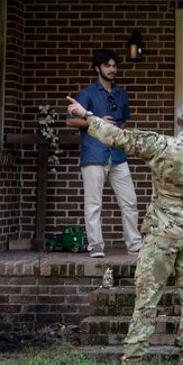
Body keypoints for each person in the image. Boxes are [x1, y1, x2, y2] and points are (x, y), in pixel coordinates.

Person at [66, 96, 183, 365]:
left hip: (161, 233)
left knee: (147, 298)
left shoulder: (162, 145)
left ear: (179, 122)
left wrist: (86, 115)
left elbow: (118, 137)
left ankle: (134, 363)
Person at [66, 49, 141, 258]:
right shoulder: (86, 93)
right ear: (97, 68)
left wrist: (113, 130)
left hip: (117, 154)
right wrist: (97, 122)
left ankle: (134, 244)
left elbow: (123, 120)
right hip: (93, 153)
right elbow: (70, 120)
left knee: (130, 201)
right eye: (107, 65)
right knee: (93, 203)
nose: (112, 69)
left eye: (114, 66)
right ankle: (96, 245)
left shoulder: (121, 93)